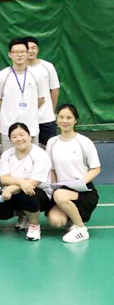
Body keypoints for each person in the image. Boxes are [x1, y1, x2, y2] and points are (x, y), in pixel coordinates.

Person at [46, 104, 101, 243]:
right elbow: (52, 170)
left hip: (84, 191)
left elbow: (96, 168)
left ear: (75, 120)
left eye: (69, 118)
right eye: (61, 117)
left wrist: (81, 182)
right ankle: (72, 220)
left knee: (60, 195)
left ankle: (81, 229)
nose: (64, 121)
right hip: (62, 190)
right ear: (56, 119)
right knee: (56, 221)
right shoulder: (52, 143)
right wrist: (53, 187)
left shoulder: (84, 142)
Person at [0, 123, 52, 241]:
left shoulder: (40, 154)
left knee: (28, 195)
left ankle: (34, 225)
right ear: (10, 140)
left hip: (39, 192)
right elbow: (3, 178)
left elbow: (34, 183)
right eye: (14, 136)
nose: (19, 139)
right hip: (17, 190)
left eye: (22, 135)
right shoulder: (7, 154)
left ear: (29, 136)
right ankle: (23, 215)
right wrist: (20, 182)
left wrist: (10, 188)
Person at [0, 38, 47, 151]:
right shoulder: (2, 76)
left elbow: (41, 99)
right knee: (9, 158)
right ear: (10, 54)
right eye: (16, 52)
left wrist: (30, 109)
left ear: (27, 53)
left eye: (22, 51)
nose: (19, 55)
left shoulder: (37, 75)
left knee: (32, 157)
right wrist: (9, 109)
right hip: (8, 127)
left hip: (31, 127)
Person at [25, 37, 61, 146]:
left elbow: (54, 90)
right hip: (26, 119)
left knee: (50, 148)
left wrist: (51, 110)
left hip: (46, 118)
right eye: (27, 48)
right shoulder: (18, 68)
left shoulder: (48, 66)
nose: (31, 51)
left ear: (38, 49)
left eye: (33, 48)